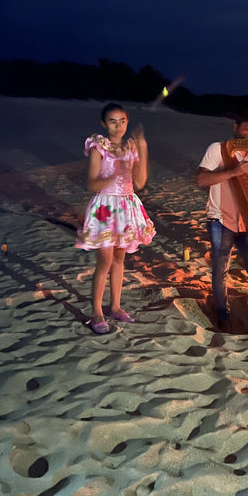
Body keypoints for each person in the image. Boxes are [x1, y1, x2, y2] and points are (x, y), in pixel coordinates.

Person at [76, 103, 156, 333]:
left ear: (127, 122)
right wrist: (111, 178)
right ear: (104, 124)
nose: (118, 126)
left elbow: (139, 182)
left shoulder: (131, 147)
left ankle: (115, 307)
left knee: (120, 259)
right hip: (106, 207)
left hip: (126, 206)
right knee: (105, 261)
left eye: (122, 121)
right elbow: (91, 183)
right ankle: (96, 313)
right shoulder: (99, 148)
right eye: (112, 121)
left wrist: (143, 148)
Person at [195, 109, 248, 333]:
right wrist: (232, 172)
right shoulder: (217, 149)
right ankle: (223, 314)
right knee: (220, 268)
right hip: (220, 218)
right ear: (235, 127)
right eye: (247, 129)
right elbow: (201, 179)